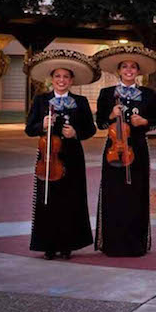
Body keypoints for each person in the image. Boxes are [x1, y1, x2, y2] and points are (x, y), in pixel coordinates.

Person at [23, 49, 100, 260]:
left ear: (71, 80)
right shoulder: (41, 101)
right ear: (52, 79)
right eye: (57, 76)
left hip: (73, 156)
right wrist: (42, 124)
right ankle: (48, 244)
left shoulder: (81, 102)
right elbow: (29, 129)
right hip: (48, 158)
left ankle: (68, 244)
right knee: (47, 200)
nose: (61, 80)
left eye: (66, 77)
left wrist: (76, 133)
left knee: (70, 200)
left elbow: (90, 130)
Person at [92, 45, 156, 257]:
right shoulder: (107, 94)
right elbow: (100, 124)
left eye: (133, 67)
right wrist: (111, 115)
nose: (129, 70)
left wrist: (145, 121)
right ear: (119, 71)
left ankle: (135, 243)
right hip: (114, 149)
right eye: (125, 67)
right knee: (114, 193)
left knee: (136, 193)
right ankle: (113, 242)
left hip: (138, 148)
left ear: (138, 72)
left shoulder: (148, 94)